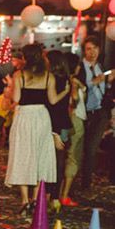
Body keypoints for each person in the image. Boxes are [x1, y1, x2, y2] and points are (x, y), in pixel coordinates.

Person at [5, 43, 70, 213]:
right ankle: (35, 199)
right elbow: (53, 100)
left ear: (25, 58)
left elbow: (17, 98)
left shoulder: (20, 75)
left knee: (23, 155)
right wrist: (66, 91)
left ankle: (25, 200)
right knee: (40, 156)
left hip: (25, 117)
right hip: (42, 117)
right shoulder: (49, 76)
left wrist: (12, 90)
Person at [78, 35, 115, 190]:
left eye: (95, 48)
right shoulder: (80, 67)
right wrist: (94, 83)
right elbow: (80, 87)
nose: (92, 52)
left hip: (100, 112)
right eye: (88, 49)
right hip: (84, 112)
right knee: (80, 147)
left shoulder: (100, 66)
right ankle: (77, 179)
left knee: (92, 148)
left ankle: (86, 182)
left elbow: (104, 90)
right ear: (84, 51)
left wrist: (109, 82)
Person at [45, 50, 72, 211]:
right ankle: (54, 197)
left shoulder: (52, 79)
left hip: (54, 125)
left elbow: (53, 106)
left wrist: (53, 131)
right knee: (58, 163)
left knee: (52, 162)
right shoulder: (65, 79)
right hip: (63, 124)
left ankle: (51, 196)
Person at [60, 53, 87, 205]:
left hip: (68, 120)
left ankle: (57, 194)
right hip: (75, 120)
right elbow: (75, 99)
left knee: (64, 156)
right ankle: (64, 195)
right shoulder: (73, 81)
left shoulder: (62, 79)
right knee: (73, 157)